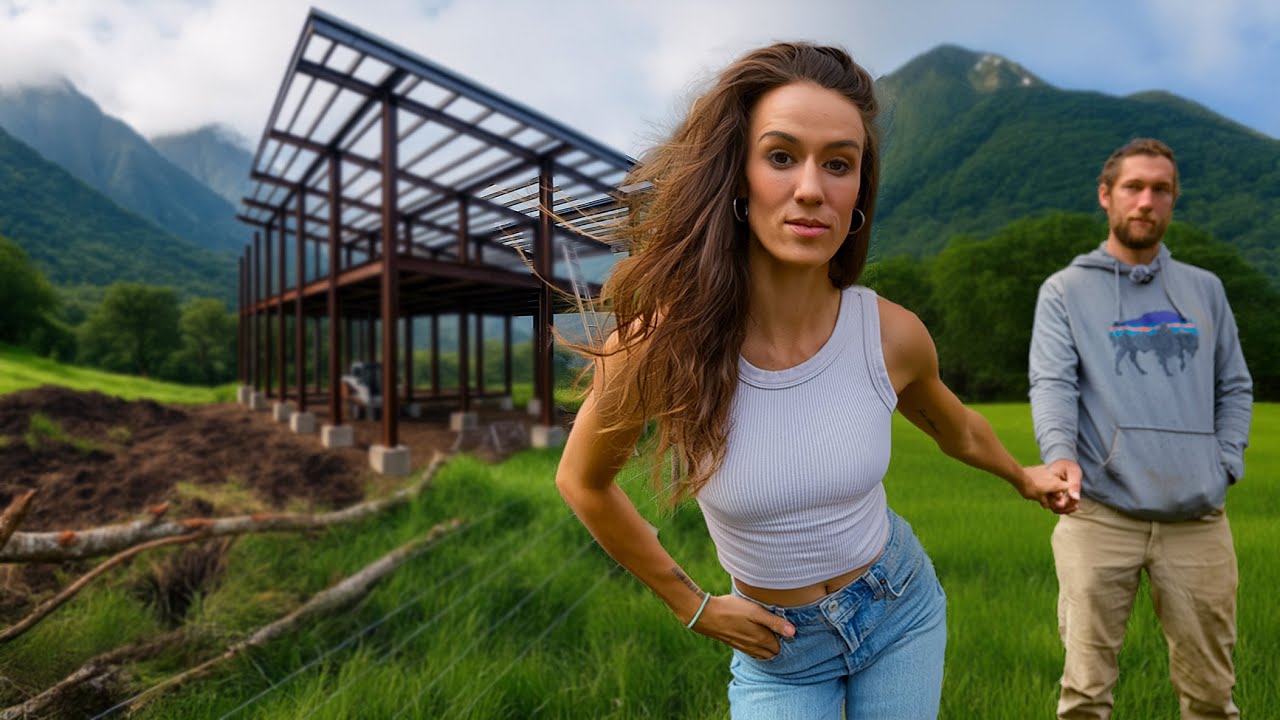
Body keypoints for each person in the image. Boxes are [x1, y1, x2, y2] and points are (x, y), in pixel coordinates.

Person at [554, 42, 1072, 719]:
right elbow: (583, 482)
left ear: (858, 194)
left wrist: (1024, 476)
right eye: (780, 156)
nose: (810, 188)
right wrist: (692, 604)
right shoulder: (658, 347)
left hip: (899, 608)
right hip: (781, 653)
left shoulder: (891, 335)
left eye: (838, 164)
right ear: (737, 178)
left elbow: (958, 428)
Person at [1029, 138, 1253, 719]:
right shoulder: (1066, 290)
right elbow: (1053, 385)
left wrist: (1224, 464)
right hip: (1099, 515)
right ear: (1106, 195)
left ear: (1173, 200)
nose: (1146, 201)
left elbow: (1234, 386)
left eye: (1161, 189)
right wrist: (1060, 455)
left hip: (1197, 520)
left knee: (1211, 696)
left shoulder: (1205, 289)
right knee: (1085, 695)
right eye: (1133, 187)